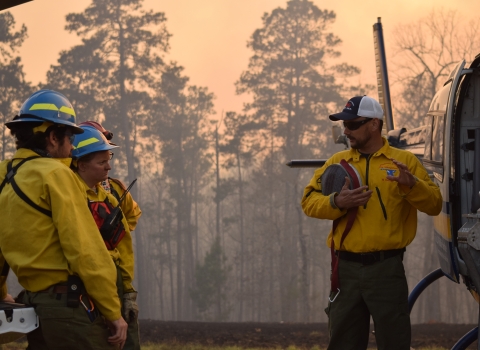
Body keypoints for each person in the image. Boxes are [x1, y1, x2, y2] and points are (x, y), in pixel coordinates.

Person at [301, 95, 442, 350]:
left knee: (394, 343)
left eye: (353, 124)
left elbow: (435, 205)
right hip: (345, 271)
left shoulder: (405, 163)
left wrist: (412, 186)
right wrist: (336, 202)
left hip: (386, 270)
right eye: (345, 125)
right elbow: (308, 202)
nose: (346, 131)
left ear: (374, 125)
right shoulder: (337, 163)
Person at [0, 90, 128, 349]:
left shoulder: (5, 174)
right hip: (70, 308)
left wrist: (1, 293)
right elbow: (85, 249)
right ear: (52, 136)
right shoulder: (58, 175)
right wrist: (113, 311)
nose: (72, 146)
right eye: (70, 136)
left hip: (33, 305)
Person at [72, 125, 141, 350]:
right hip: (81, 286)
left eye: (108, 158)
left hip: (114, 279)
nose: (108, 166)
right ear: (81, 163)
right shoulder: (67, 195)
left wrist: (128, 291)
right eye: (102, 162)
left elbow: (125, 244)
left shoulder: (112, 195)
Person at [78, 121, 142, 232]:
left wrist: (116, 231)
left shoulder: (115, 188)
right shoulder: (70, 187)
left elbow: (133, 214)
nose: (108, 167)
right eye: (101, 162)